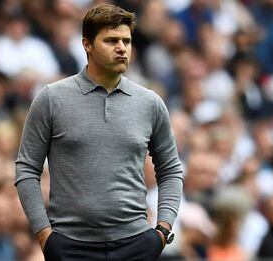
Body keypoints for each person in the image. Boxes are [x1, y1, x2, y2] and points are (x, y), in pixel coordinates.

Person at [14, 4, 183, 261]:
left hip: (136, 244)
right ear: (87, 44)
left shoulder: (150, 102)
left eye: (126, 41)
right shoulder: (51, 99)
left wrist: (162, 230)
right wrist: (44, 235)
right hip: (70, 245)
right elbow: (27, 170)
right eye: (111, 40)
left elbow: (170, 169)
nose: (122, 48)